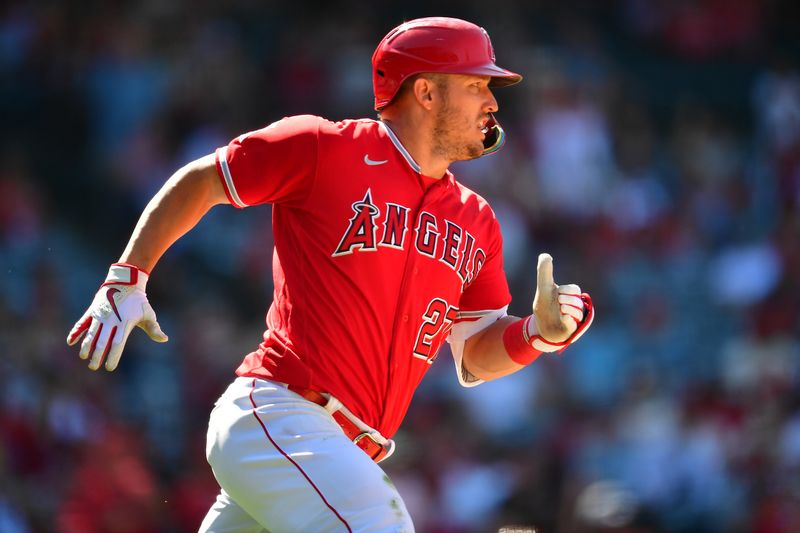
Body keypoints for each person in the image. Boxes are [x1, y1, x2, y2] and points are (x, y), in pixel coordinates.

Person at [66, 16, 594, 532]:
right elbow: (203, 179)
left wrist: (538, 336)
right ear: (427, 93)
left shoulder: (477, 219)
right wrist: (128, 276)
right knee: (380, 524)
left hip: (333, 455)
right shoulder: (325, 147)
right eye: (478, 84)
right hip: (280, 414)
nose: (493, 102)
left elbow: (475, 354)